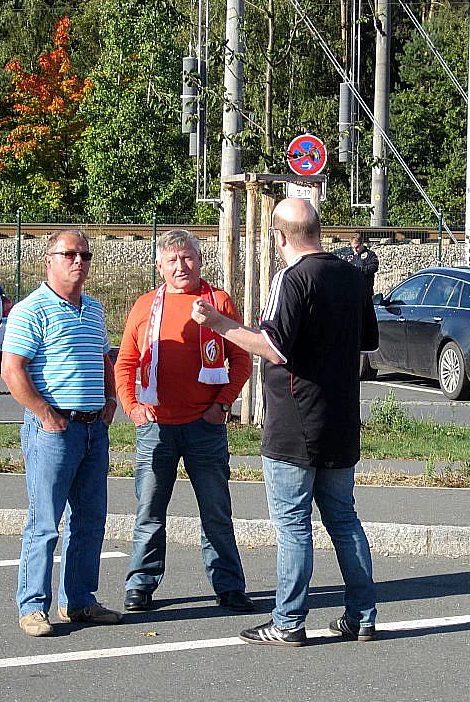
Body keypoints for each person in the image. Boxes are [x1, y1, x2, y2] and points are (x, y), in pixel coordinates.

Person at [191, 198, 379, 646]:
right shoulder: (353, 275)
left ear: (277, 237)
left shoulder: (291, 278)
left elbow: (274, 348)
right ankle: (362, 616)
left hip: (295, 423)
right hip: (340, 420)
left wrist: (218, 322)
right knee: (344, 520)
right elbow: (368, 341)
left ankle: (289, 621)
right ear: (318, 229)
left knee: (293, 525)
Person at [114, 230, 255, 614]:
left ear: (200, 260)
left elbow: (240, 359)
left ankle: (228, 587)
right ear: (160, 266)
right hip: (155, 427)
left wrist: (222, 406)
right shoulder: (144, 306)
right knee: (149, 512)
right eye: (172, 260)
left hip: (205, 427)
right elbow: (125, 363)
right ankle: (140, 585)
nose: (181, 266)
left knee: (216, 513)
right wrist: (133, 409)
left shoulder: (218, 301)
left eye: (188, 258)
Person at [1, 228, 121, 638]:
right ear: (49, 259)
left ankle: (80, 601)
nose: (79, 262)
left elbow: (105, 356)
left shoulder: (94, 310)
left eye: (85, 255)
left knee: (90, 521)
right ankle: (33, 606)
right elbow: (12, 369)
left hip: (92, 430)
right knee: (45, 522)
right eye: (69, 254)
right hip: (54, 431)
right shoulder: (31, 310)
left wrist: (110, 400)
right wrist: (43, 413)